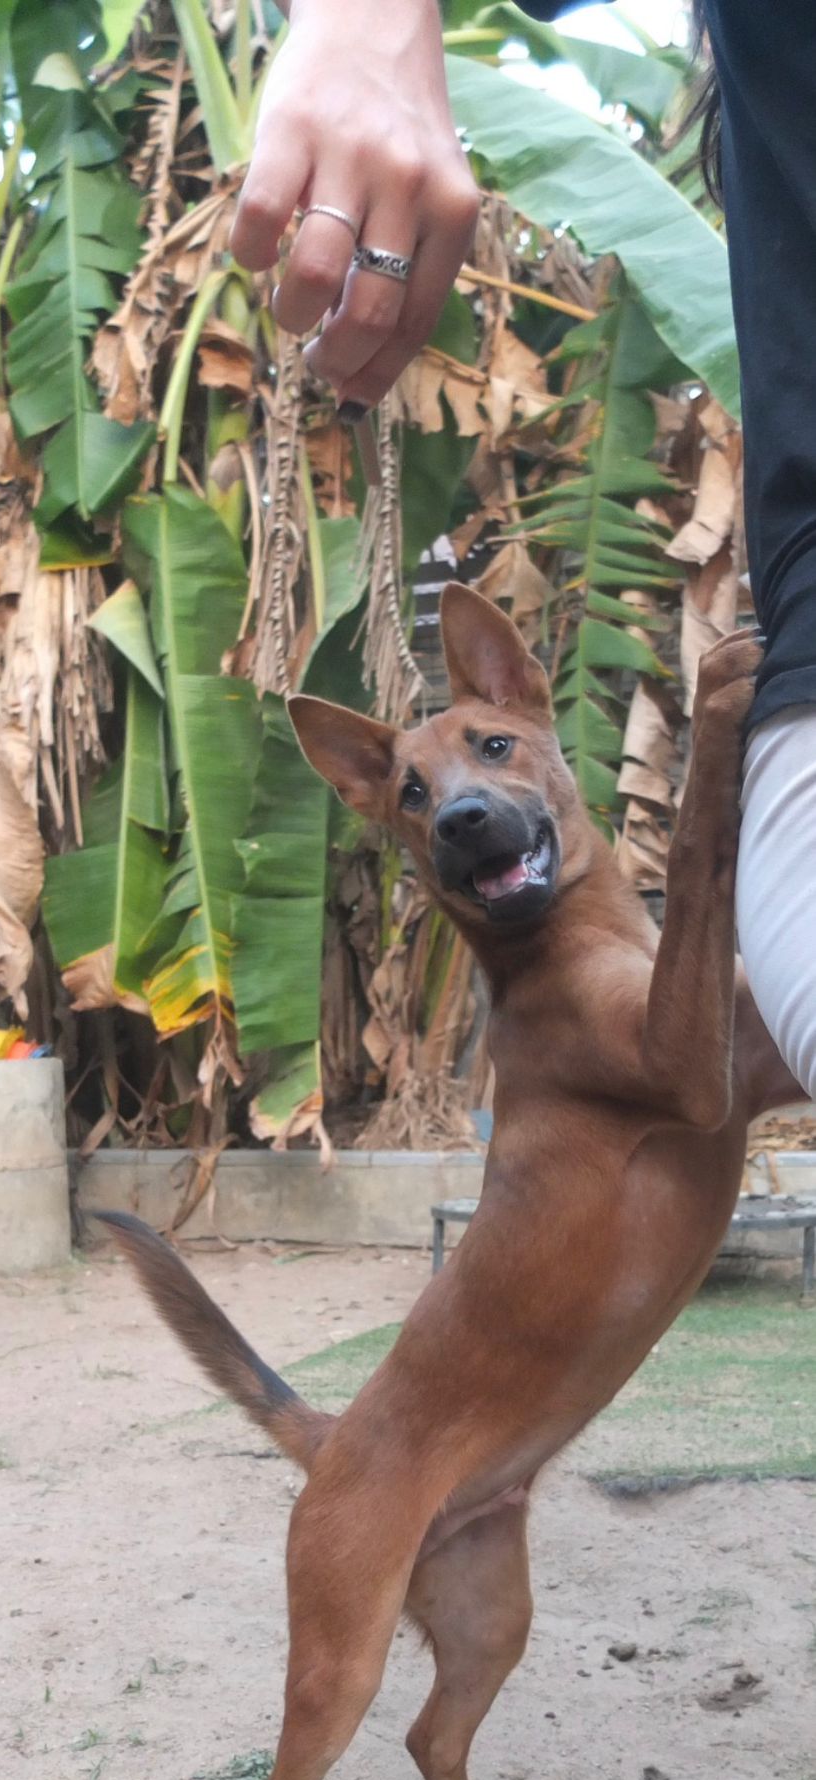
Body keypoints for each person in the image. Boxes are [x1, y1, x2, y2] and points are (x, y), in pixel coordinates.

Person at [232, 0, 816, 1106]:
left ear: (526, 698)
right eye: (417, 795)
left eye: (493, 748)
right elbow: (696, 1079)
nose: (460, 803)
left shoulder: (628, 951)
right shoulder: (556, 999)